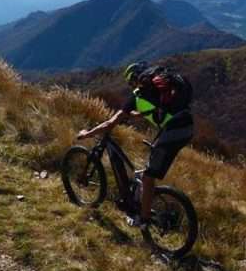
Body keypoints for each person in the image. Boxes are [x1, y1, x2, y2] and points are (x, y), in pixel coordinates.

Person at [77, 61, 194, 228]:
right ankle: (140, 201)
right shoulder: (159, 90)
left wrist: (87, 133)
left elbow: (109, 124)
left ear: (133, 80)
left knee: (148, 177)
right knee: (149, 166)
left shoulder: (139, 94)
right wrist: (130, 115)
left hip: (173, 132)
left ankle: (143, 220)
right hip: (187, 127)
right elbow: (150, 111)